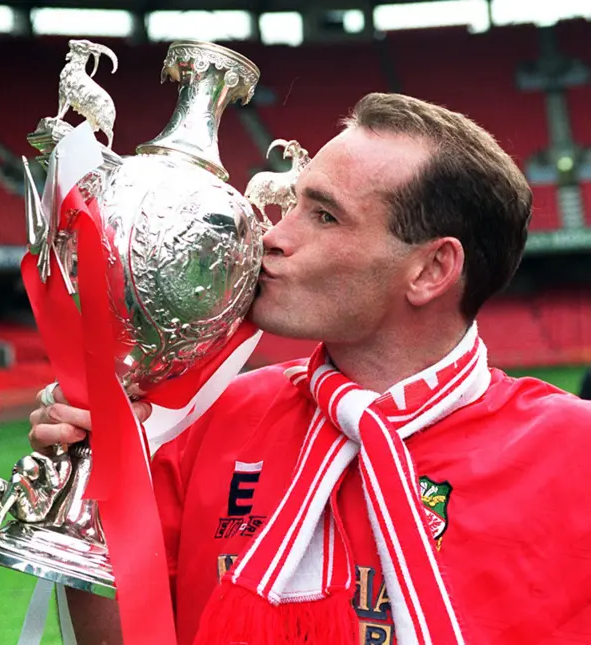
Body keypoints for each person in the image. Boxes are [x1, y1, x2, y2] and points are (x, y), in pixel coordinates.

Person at [29, 93, 591, 645]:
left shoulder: (574, 454)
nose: (273, 236)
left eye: (324, 216)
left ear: (431, 270)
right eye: (293, 204)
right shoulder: (199, 421)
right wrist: (94, 476)